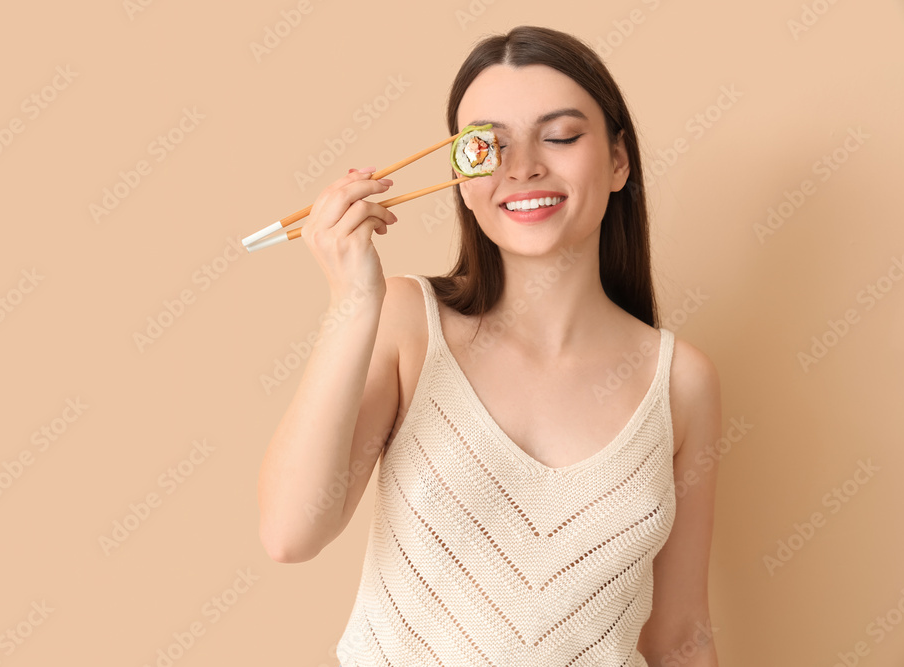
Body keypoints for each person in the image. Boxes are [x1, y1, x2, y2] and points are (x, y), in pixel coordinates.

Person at [258, 25, 721, 667]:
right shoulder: (405, 322)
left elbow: (680, 636)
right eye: (487, 146)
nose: (524, 165)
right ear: (460, 173)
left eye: (560, 137)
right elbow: (289, 534)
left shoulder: (681, 382)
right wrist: (351, 301)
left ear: (619, 161)